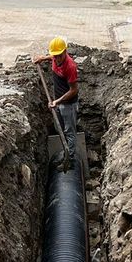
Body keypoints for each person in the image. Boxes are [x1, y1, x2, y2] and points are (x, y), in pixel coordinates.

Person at [33, 37, 78, 167]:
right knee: (61, 130)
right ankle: (65, 154)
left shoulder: (70, 66)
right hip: (58, 103)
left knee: (69, 132)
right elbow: (52, 56)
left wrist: (57, 101)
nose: (57, 59)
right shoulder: (55, 56)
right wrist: (42, 58)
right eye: (55, 56)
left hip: (68, 104)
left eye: (59, 56)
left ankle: (70, 161)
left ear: (65, 52)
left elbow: (74, 90)